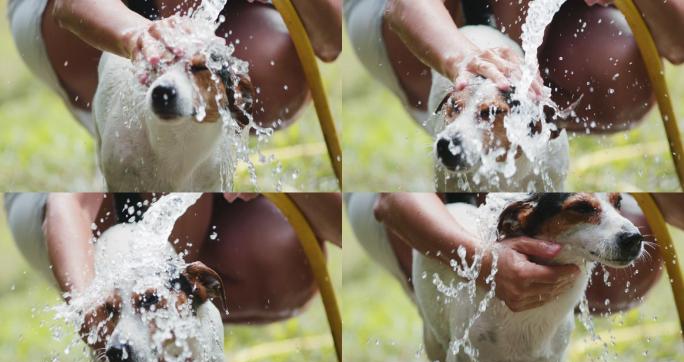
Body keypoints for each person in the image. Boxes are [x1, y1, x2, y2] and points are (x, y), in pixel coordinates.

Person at [8, 0, 341, 133]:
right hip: (68, 19)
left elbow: (331, 40)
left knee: (274, 63)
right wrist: (137, 36)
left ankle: (187, 159)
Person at [345, 0, 684, 131]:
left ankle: (516, 107)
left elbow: (678, 40)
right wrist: (461, 56)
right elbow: (405, 6)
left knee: (617, 65)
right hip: (402, 22)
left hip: (520, 24)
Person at [5, 192, 342, 323]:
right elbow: (69, 203)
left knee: (285, 258)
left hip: (186, 220)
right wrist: (87, 304)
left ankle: (168, 322)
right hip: (63, 212)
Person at [346, 193, 678, 314]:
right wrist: (484, 262)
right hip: (413, 208)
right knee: (471, 336)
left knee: (620, 278)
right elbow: (391, 200)